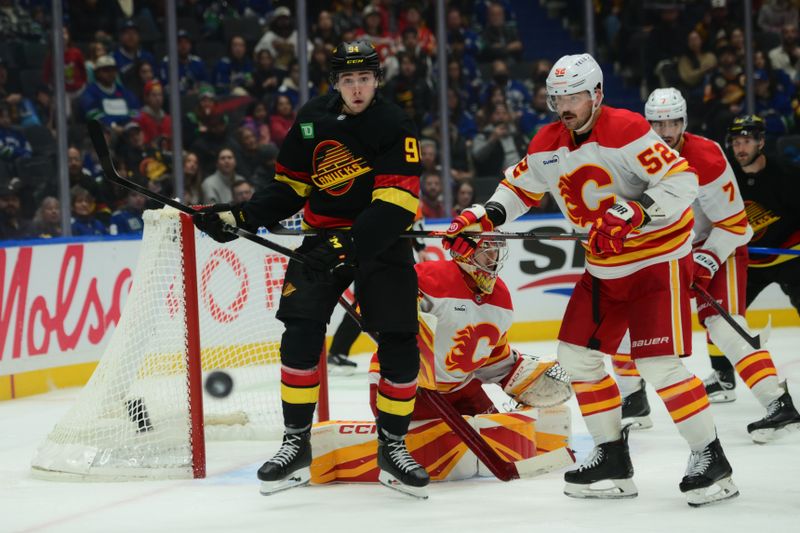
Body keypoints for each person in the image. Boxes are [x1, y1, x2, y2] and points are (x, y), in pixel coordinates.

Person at [443, 54, 737, 507]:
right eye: (557, 96)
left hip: (656, 260)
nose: (564, 105)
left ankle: (711, 459)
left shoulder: (627, 129)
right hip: (603, 266)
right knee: (576, 356)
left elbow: (682, 182)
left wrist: (635, 211)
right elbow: (519, 189)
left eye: (574, 95)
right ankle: (612, 458)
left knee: (658, 365)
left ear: (596, 94)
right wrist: (482, 216)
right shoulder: (546, 141)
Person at [192, 40, 429, 498]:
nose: (356, 88)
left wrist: (350, 242)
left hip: (381, 242)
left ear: (377, 80)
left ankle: (393, 446)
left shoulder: (394, 122)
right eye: (347, 80)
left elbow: (399, 203)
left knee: (399, 338)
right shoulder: (311, 119)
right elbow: (289, 187)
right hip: (323, 240)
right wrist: (242, 216)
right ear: (335, 83)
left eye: (364, 79)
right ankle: (296, 443)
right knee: (299, 332)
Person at [614, 89, 800, 443]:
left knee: (724, 325)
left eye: (672, 122)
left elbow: (734, 225)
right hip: (668, 250)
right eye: (657, 123)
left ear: (684, 121)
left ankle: (778, 403)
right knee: (625, 320)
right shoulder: (632, 155)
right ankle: (633, 399)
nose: (665, 131)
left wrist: (706, 257)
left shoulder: (707, 155)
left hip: (720, 245)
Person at [368, 238, 570, 419]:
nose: (493, 257)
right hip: (403, 385)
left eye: (496, 250)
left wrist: (517, 375)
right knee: (437, 453)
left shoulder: (501, 297)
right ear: (466, 252)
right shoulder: (429, 277)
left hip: (461, 387)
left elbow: (491, 355)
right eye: (486, 250)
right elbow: (374, 305)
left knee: (498, 439)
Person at [701, 115, 800, 407]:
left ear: (761, 142)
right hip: (749, 262)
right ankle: (723, 378)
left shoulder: (787, 175)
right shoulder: (726, 176)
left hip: (789, 257)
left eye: (746, 141)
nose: (740, 148)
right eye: (736, 142)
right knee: (718, 315)